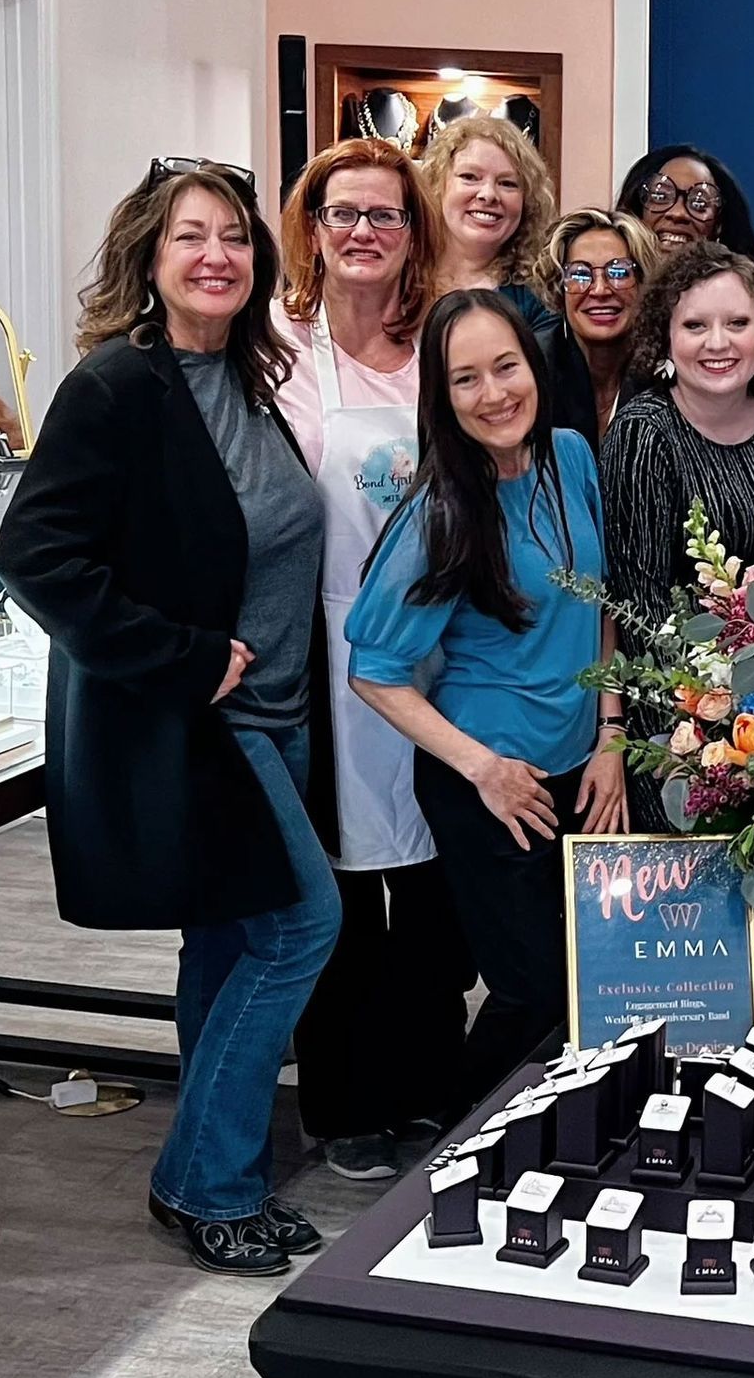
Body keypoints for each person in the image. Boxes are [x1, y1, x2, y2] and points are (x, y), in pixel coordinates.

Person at [0, 158, 334, 1276]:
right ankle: (202, 1179)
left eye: (236, 238)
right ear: (152, 255)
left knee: (233, 931)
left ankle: (217, 1167)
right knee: (300, 927)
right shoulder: (116, 386)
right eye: (193, 237)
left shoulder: (242, 378)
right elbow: (35, 556)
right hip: (199, 721)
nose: (217, 257)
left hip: (277, 713)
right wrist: (184, 657)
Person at [347, 290, 624, 1106]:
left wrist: (609, 735)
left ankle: (539, 1151)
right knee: (531, 992)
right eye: (465, 379)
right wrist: (484, 769)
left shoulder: (571, 454)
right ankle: (455, 1148)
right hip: (493, 785)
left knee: (577, 986)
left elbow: (596, 604)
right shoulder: (442, 510)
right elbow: (373, 670)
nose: (494, 393)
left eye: (505, 367)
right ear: (442, 397)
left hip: (577, 767)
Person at [274, 137, 475, 1182]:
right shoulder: (275, 351)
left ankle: (428, 1086)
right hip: (313, 645)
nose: (362, 232)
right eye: (342, 213)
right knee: (336, 886)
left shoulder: (442, 344)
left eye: (384, 216)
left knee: (435, 879)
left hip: (437, 647)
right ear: (312, 229)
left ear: (413, 236)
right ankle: (343, 1097)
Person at [602, 243, 754, 631]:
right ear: (665, 338)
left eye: (738, 323)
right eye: (695, 325)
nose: (717, 343)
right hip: (683, 679)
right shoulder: (642, 434)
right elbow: (640, 606)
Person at [537, 204, 660, 453]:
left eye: (618, 272)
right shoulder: (533, 365)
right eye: (580, 275)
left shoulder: (666, 369)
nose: (600, 290)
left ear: (643, 282)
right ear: (559, 288)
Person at [420, 114, 558, 332]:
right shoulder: (396, 278)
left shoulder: (540, 301)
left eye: (507, 183)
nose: (488, 194)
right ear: (437, 185)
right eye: (470, 177)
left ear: (527, 202)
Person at [617, 144, 754, 264]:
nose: (678, 213)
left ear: (719, 225)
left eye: (698, 203)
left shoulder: (737, 296)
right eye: (661, 196)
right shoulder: (603, 291)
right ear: (635, 212)